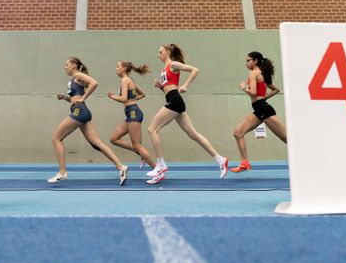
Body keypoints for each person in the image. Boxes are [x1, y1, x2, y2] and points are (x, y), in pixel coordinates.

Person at [146, 43, 229, 184]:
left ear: (167, 52)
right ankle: (220, 159)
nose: (158, 55)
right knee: (193, 134)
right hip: (172, 100)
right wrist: (160, 87)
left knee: (152, 129)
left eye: (160, 52)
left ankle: (160, 165)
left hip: (175, 100)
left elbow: (195, 70)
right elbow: (168, 87)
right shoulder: (164, 69)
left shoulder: (173, 64)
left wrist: (185, 85)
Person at [48, 57, 128, 185]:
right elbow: (75, 98)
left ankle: (62, 172)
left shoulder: (78, 75)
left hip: (79, 111)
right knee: (97, 143)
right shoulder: (75, 79)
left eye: (67, 64)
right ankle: (121, 167)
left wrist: (84, 97)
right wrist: (64, 97)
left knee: (56, 138)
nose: (65, 67)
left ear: (74, 65)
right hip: (82, 111)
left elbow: (94, 83)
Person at [231, 51, 287, 173]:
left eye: (248, 60)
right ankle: (245, 163)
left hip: (264, 110)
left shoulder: (253, 73)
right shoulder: (260, 73)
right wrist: (264, 97)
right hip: (259, 109)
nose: (246, 63)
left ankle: (307, 158)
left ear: (255, 61)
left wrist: (243, 87)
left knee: (287, 139)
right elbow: (276, 90)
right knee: (238, 133)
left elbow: (254, 93)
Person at [107, 60, 156, 171]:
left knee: (137, 145)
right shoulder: (129, 80)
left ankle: (156, 169)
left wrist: (112, 96)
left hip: (133, 112)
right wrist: (132, 100)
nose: (116, 69)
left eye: (118, 66)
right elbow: (142, 94)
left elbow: (123, 98)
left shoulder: (125, 80)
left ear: (124, 68)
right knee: (113, 139)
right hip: (130, 112)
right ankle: (141, 153)